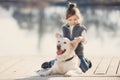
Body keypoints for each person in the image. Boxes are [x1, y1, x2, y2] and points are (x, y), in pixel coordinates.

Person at [41, 2, 92, 73]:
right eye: (70, 20)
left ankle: (87, 61)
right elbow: (63, 39)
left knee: (84, 68)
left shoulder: (81, 28)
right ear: (66, 19)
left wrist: (81, 38)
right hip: (67, 54)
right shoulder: (64, 28)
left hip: (78, 54)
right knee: (58, 63)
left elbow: (85, 40)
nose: (72, 22)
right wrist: (59, 36)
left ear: (78, 18)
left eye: (75, 19)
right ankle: (51, 63)